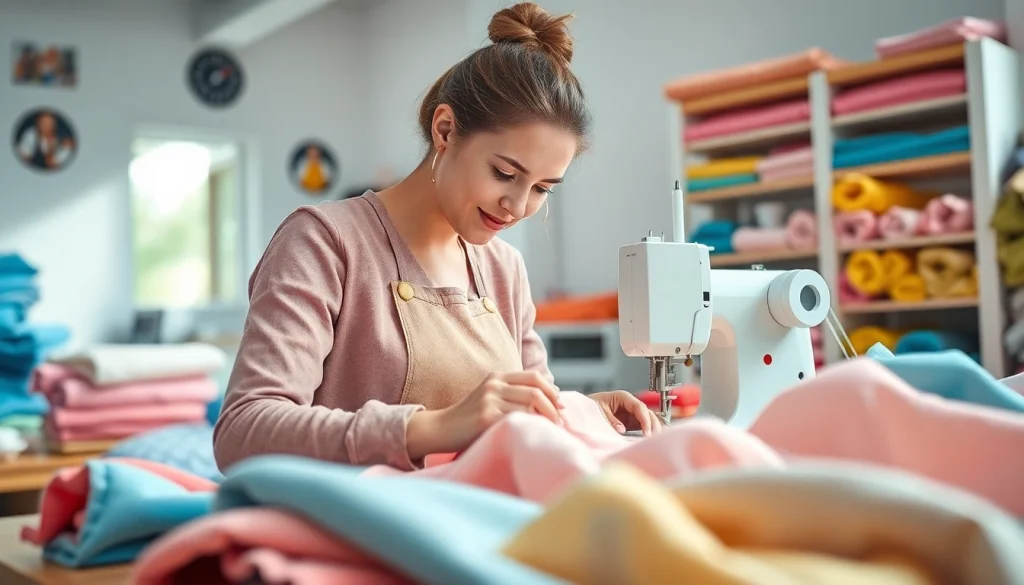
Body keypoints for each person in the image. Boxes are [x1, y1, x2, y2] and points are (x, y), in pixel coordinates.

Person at [213, 2, 662, 473]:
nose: (518, 206)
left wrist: (582, 410)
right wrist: (434, 427)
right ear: (445, 129)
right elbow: (244, 430)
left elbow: (529, 419)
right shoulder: (325, 243)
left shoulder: (504, 270)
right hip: (361, 528)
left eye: (542, 189)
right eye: (505, 173)